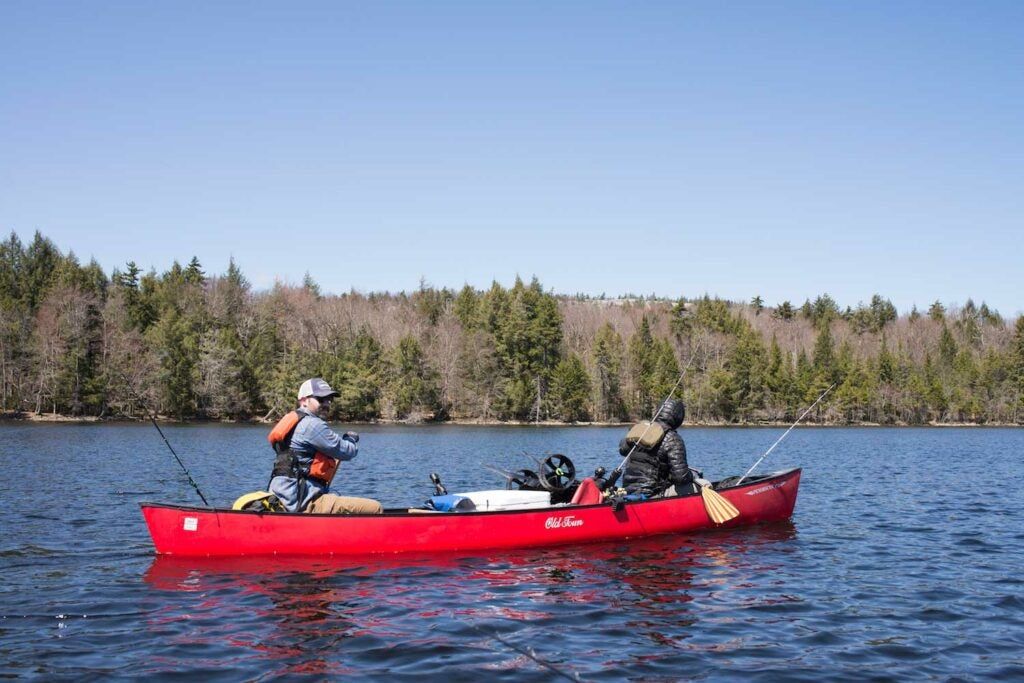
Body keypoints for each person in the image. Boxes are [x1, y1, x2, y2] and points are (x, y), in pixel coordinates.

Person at [267, 378, 383, 514]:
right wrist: (350, 439)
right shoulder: (312, 425)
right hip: (303, 501)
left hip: (283, 496)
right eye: (321, 399)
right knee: (375, 508)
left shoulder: (292, 421)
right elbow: (347, 451)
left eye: (329, 399)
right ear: (304, 400)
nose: (327, 403)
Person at [619, 398, 694, 498]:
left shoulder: (639, 430)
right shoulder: (672, 438)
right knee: (704, 484)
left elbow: (622, 450)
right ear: (678, 417)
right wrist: (692, 475)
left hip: (628, 491)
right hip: (653, 495)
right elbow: (681, 477)